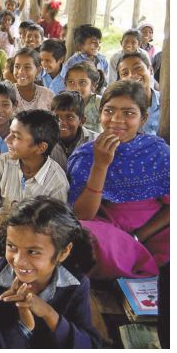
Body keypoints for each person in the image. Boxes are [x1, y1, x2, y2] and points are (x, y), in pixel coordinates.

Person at [0, 196, 101, 349]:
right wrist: (23, 327)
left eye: (33, 252)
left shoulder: (76, 284)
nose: (19, 261)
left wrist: (49, 314)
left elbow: (88, 346)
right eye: (12, 247)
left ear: (63, 252)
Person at [68, 80, 169, 279]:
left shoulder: (159, 152)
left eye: (128, 113)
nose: (116, 119)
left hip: (152, 230)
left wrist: (139, 236)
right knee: (84, 237)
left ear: (143, 119)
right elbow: (83, 215)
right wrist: (100, 165)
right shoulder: (85, 155)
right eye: (109, 111)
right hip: (107, 232)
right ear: (100, 113)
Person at [0, 109, 67, 229]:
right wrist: (1, 217)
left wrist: (19, 222)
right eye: (10, 133)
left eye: (16, 137)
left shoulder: (57, 183)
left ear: (41, 148)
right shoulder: (2, 162)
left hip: (33, 240)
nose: (7, 140)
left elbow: (53, 225)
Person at [48, 91, 98, 171]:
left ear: (82, 121)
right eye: (56, 117)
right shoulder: (44, 141)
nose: (62, 123)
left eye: (69, 117)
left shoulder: (96, 142)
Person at [117, 52, 161, 136]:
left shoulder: (167, 103)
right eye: (125, 73)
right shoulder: (118, 107)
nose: (131, 75)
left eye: (137, 68)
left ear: (151, 70)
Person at [64, 62, 105, 133]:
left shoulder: (99, 103)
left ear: (93, 86)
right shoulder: (63, 104)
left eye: (82, 82)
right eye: (71, 82)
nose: (76, 87)